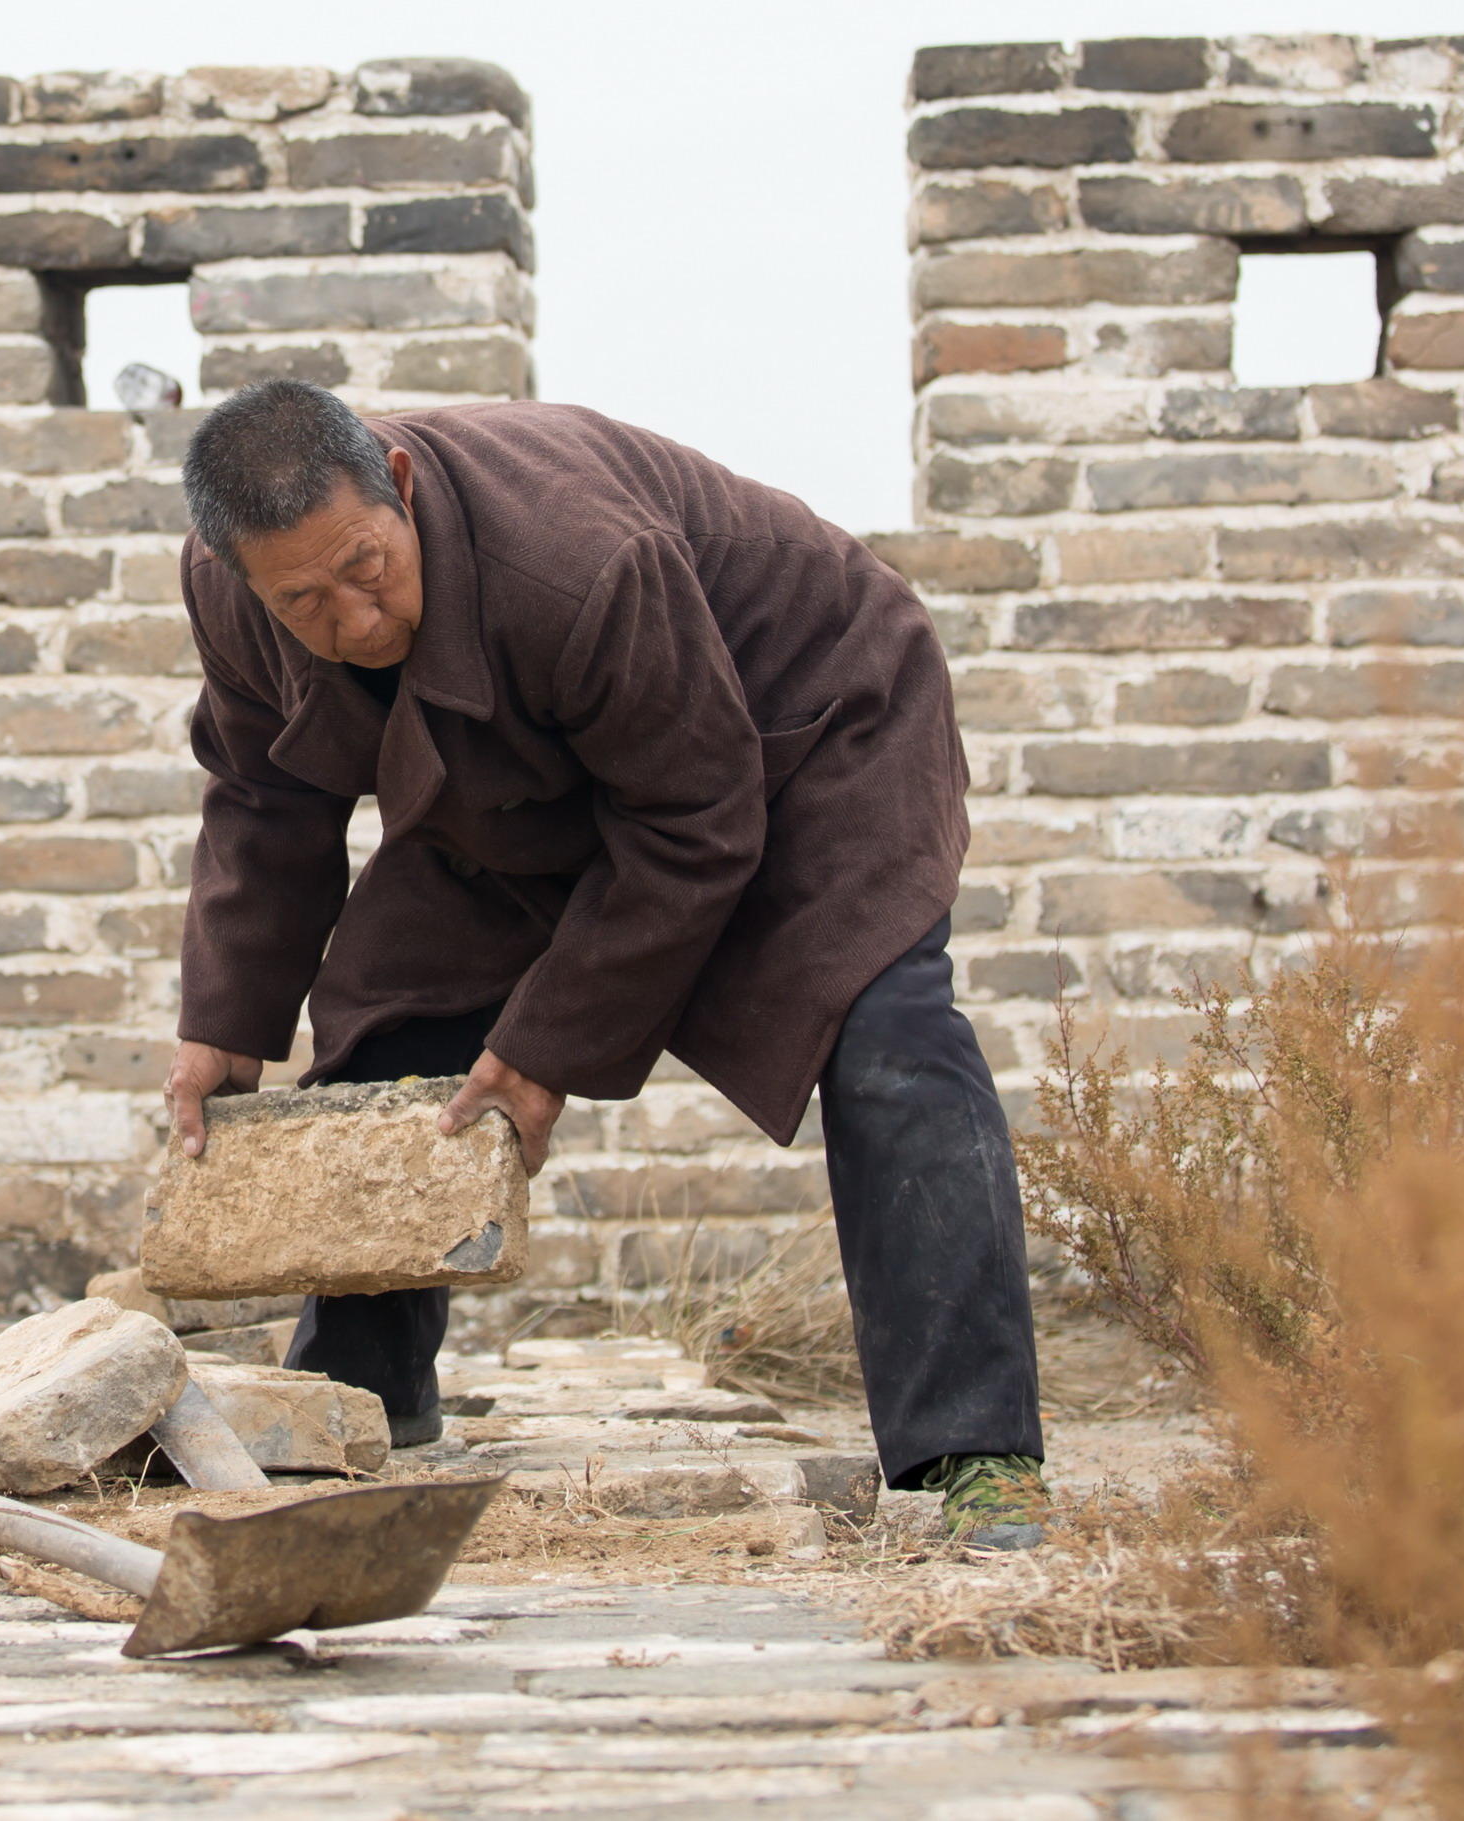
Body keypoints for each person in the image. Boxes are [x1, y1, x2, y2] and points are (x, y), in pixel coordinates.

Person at [160, 382, 1049, 1548]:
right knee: (393, 1021)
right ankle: (358, 1398)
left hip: (803, 724)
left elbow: (692, 819)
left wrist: (548, 1049)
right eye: (304, 601)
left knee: (889, 1035)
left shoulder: (575, 560)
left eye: (367, 567)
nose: (356, 620)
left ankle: (971, 1450)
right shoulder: (237, 590)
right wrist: (227, 1013)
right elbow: (265, 790)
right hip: (536, 766)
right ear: (239, 573)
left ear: (403, 485)